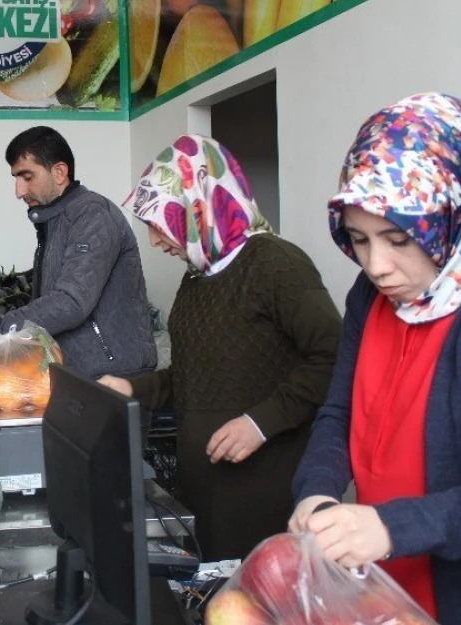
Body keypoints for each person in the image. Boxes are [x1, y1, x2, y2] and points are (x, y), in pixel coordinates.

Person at [290, 93, 461, 624]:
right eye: (359, 239)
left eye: (399, 239)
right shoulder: (368, 298)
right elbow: (338, 415)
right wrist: (319, 493)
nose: (376, 265)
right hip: (387, 588)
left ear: (454, 217)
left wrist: (391, 528)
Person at [99, 134, 342, 561]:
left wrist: (260, 422)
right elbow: (191, 375)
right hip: (205, 485)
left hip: (262, 489)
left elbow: (335, 355)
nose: (155, 241)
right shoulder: (197, 277)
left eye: (160, 224)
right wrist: (130, 389)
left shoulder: (276, 265)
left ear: (199, 206)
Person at [0, 126, 157, 378]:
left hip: (115, 376)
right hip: (82, 374)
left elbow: (70, 303)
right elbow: (47, 306)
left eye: (27, 177)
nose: (19, 191)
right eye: (15, 178)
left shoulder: (92, 215)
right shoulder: (57, 220)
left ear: (59, 172)